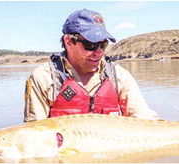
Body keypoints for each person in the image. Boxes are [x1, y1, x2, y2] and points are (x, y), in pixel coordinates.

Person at [23, 9, 160, 122]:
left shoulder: (119, 76)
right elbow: (34, 133)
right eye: (91, 45)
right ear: (69, 42)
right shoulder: (43, 78)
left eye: (103, 45)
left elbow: (144, 119)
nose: (99, 52)